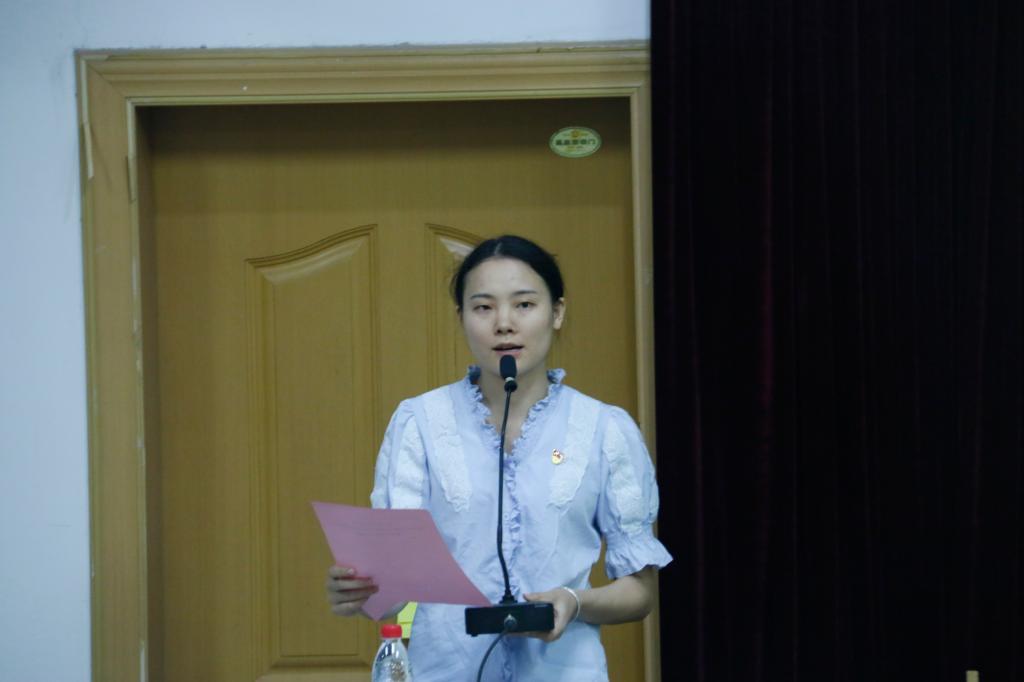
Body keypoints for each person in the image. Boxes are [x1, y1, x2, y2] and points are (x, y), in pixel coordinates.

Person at [325, 235, 672, 681]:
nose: (504, 324)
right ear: (461, 317)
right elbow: (394, 593)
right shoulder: (420, 423)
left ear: (557, 312)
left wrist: (574, 601)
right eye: (483, 307)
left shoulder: (604, 428)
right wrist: (359, 593)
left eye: (524, 305)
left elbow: (641, 592)